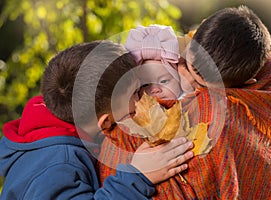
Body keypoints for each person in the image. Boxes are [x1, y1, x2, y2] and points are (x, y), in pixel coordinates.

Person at [99, 5, 271, 199]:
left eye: (202, 84)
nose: (187, 79)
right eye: (186, 65)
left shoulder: (268, 85)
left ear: (244, 84)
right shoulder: (185, 45)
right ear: (195, 36)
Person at [0, 40, 194, 200]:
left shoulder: (50, 123)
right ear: (105, 123)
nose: (144, 97)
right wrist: (138, 176)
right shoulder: (58, 165)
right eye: (136, 92)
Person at [125, 24, 192, 100]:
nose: (155, 90)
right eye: (145, 85)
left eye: (163, 81)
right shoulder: (134, 110)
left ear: (179, 79)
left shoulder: (190, 102)